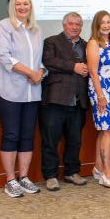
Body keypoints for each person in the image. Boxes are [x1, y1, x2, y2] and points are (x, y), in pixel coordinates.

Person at [0, 0, 44, 198]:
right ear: (12, 6)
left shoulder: (36, 30)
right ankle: (10, 180)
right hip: (9, 89)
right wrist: (31, 72)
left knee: (27, 135)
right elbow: (4, 58)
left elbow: (39, 59)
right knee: (11, 134)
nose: (22, 7)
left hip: (32, 91)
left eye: (26, 4)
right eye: (18, 4)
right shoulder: (5, 26)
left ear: (31, 7)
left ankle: (24, 178)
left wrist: (40, 72)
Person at [39, 12, 89, 191]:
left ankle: (71, 172)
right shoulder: (51, 42)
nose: (75, 27)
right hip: (55, 100)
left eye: (78, 24)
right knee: (50, 140)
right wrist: (73, 67)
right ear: (64, 25)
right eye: (71, 23)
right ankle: (51, 175)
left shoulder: (86, 45)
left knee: (75, 140)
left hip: (78, 101)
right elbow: (49, 61)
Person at [87, 10, 110, 188]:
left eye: (108, 22)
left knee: (107, 130)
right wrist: (101, 96)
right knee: (108, 131)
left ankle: (97, 167)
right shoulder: (94, 43)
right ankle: (106, 172)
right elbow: (93, 72)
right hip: (102, 93)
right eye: (102, 22)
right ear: (96, 24)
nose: (106, 25)